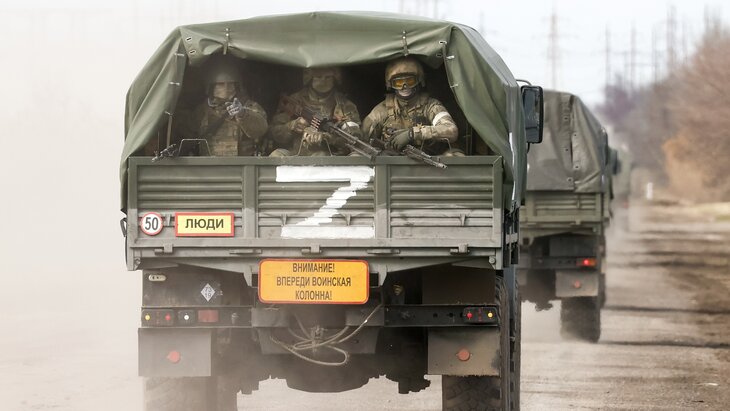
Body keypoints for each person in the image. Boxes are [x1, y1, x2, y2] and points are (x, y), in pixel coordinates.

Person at [362, 57, 462, 156]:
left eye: (409, 81)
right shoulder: (381, 110)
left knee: (455, 155)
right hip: (393, 163)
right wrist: (380, 154)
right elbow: (361, 140)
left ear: (419, 81)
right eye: (399, 83)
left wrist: (413, 134)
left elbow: (451, 130)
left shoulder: (431, 106)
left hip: (430, 161)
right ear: (390, 85)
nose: (404, 87)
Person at [176, 55, 268, 156]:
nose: (226, 88)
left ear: (236, 86)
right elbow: (186, 131)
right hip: (209, 164)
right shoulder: (203, 110)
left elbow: (261, 130)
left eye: (231, 84)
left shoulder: (249, 106)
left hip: (242, 163)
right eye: (220, 84)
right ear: (211, 87)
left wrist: (243, 114)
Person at [269, 67, 361, 156]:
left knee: (321, 155)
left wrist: (329, 138)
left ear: (334, 78)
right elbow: (273, 132)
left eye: (328, 77)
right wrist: (291, 126)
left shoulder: (344, 105)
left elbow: (353, 138)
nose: (323, 80)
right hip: (296, 154)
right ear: (310, 78)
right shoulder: (295, 101)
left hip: (329, 156)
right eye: (318, 76)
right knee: (276, 155)